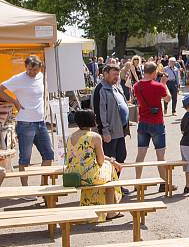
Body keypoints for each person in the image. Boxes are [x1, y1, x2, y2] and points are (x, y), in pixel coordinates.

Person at [0, 55, 53, 186]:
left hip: (40, 122)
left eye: (34, 70)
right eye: (29, 69)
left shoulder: (41, 75)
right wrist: (14, 101)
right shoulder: (19, 78)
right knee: (25, 158)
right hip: (25, 123)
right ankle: (25, 188)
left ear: (39, 69)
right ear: (26, 67)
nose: (31, 72)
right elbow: (0, 89)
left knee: (49, 155)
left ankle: (43, 186)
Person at [64, 110, 122, 220]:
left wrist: (111, 160)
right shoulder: (94, 137)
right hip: (87, 177)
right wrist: (112, 162)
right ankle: (111, 212)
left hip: (71, 175)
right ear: (92, 120)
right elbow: (100, 160)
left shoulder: (70, 137)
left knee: (107, 167)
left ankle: (95, 208)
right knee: (109, 170)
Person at [132, 62, 174, 193]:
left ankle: (137, 182)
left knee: (140, 155)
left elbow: (137, 98)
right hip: (157, 122)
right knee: (160, 155)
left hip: (143, 122)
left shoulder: (136, 85)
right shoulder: (159, 86)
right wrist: (164, 84)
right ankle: (164, 183)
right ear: (154, 72)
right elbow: (168, 99)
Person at [95, 64, 129, 172]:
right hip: (109, 132)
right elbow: (99, 112)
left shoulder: (115, 87)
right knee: (110, 159)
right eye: (114, 74)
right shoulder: (100, 89)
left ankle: (116, 184)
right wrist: (104, 131)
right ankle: (110, 186)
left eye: (118, 75)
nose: (117, 77)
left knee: (121, 157)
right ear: (105, 74)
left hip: (119, 131)